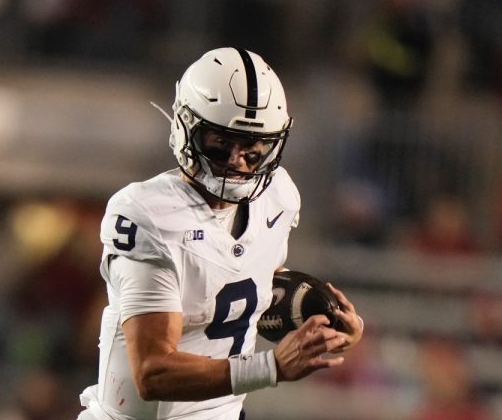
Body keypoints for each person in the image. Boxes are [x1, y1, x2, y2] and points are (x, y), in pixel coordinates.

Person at [77, 47, 364, 420]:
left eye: (252, 147)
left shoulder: (278, 196)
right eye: (220, 142)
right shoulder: (148, 214)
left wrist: (324, 323)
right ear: (186, 127)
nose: (236, 161)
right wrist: (271, 367)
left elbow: (246, 288)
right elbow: (152, 371)